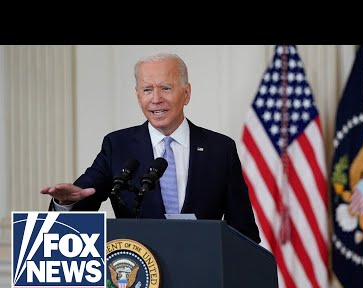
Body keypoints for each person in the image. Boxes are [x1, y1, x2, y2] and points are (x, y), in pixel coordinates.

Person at [40, 52, 261, 244]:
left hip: (204, 277)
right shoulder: (118, 145)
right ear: (138, 96)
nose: (156, 99)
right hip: (137, 278)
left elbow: (243, 231)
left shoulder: (220, 149)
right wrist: (66, 202)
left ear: (186, 93)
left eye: (166, 88)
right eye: (147, 90)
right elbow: (82, 203)